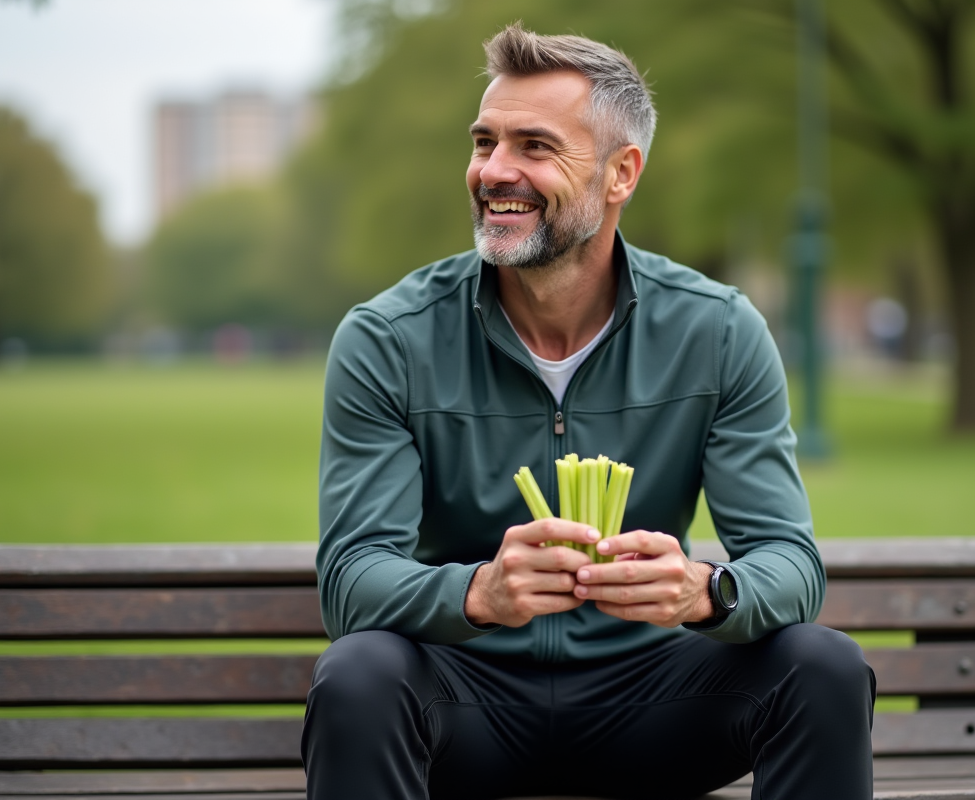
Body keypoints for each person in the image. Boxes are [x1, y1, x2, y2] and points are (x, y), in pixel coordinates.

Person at [302, 24, 875, 800]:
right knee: (359, 674)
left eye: (534, 146)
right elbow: (351, 581)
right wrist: (479, 593)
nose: (494, 171)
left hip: (656, 700)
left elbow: (790, 564)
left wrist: (704, 592)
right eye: (484, 142)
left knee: (825, 666)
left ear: (620, 174)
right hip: (463, 703)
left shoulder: (719, 330)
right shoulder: (387, 338)